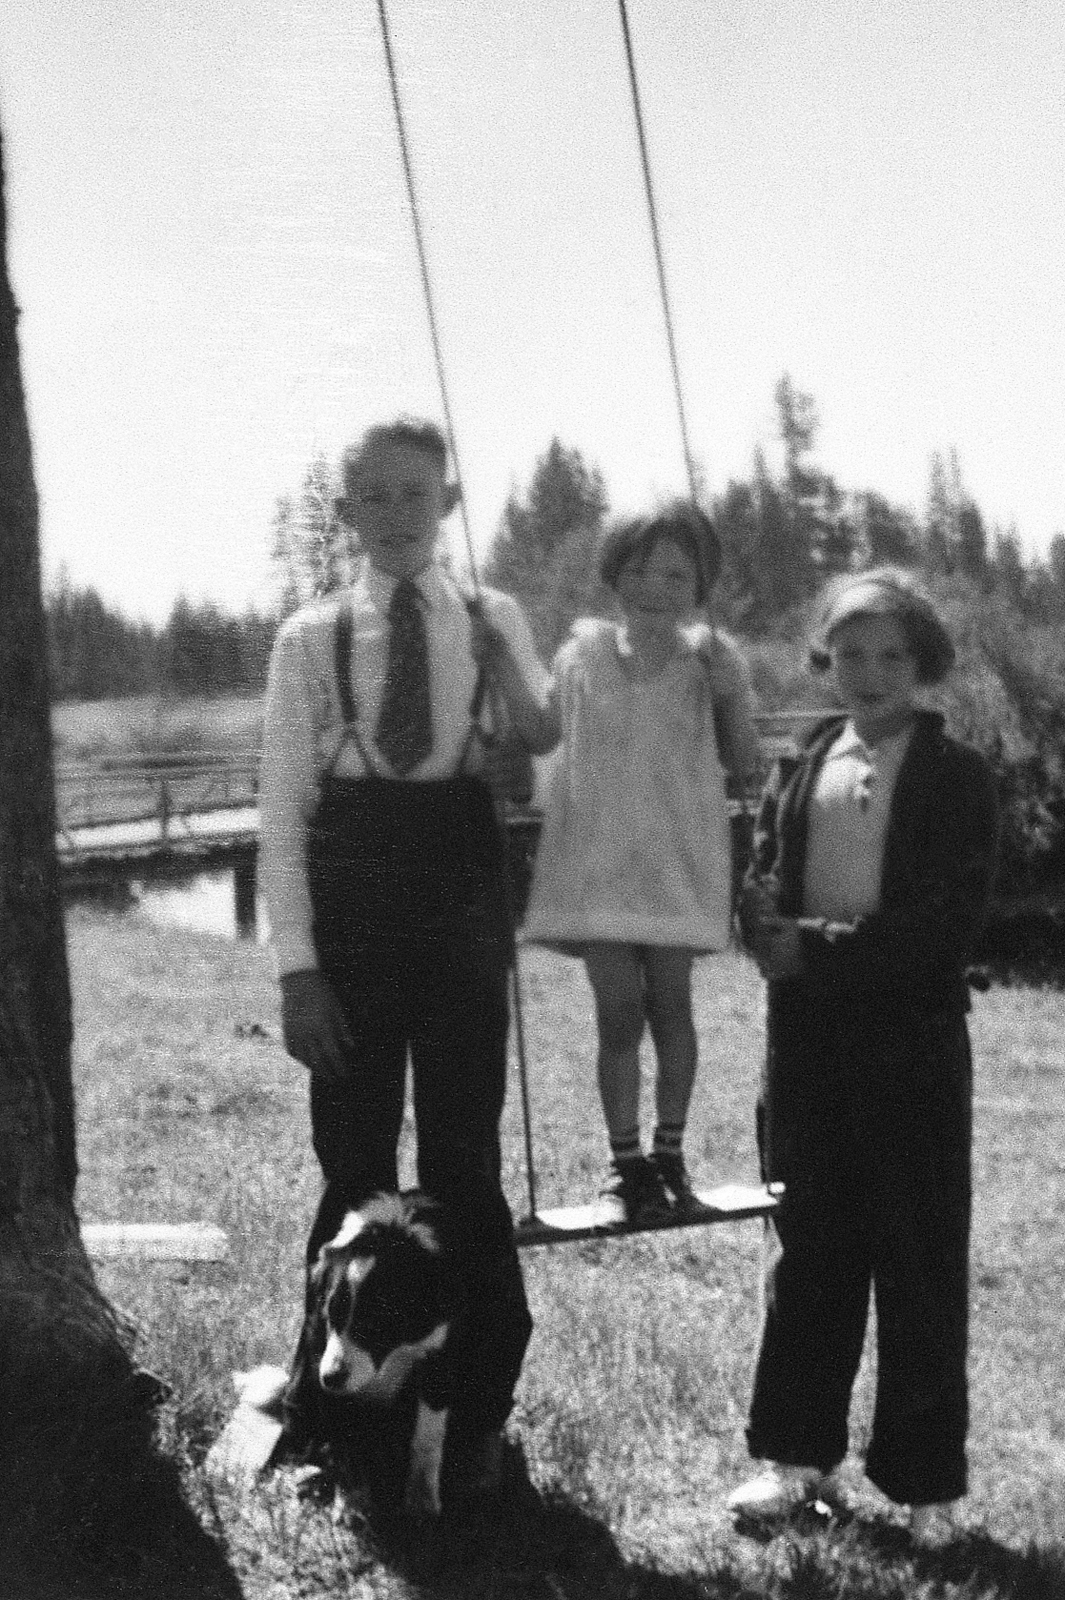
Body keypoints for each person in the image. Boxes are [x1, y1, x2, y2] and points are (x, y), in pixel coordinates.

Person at [259, 415, 558, 1488]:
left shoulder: (493, 616)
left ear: (450, 501)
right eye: (371, 496)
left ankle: (474, 1408)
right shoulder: (308, 640)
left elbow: (541, 768)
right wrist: (299, 969)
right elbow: (283, 816)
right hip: (351, 905)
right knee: (352, 1163)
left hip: (462, 896)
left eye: (413, 493)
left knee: (463, 1167)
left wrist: (523, 775)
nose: (394, 514)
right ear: (345, 514)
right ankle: (329, 1414)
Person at [728, 568, 999, 1545]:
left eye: (892, 654)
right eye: (850, 651)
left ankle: (928, 1485)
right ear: (825, 658)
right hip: (804, 1056)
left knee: (918, 1260)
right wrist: (755, 917)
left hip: (912, 1052)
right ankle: (793, 1461)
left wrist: (818, 946)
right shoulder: (800, 759)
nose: (871, 671)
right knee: (807, 1255)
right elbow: (762, 879)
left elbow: (942, 926)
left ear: (923, 663)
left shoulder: (958, 775)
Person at [521, 503, 761, 1223]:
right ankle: (623, 1163)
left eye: (675, 574)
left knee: (671, 1005)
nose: (654, 587)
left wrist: (728, 697)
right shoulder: (579, 655)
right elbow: (536, 732)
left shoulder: (712, 660)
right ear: (612, 575)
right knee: (617, 1013)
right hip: (596, 865)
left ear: (699, 585)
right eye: (637, 570)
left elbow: (745, 763)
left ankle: (669, 1154)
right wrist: (495, 658)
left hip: (675, 862)